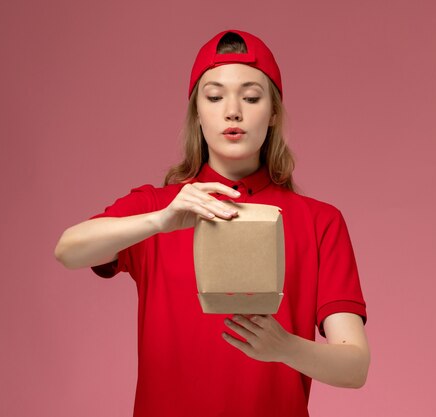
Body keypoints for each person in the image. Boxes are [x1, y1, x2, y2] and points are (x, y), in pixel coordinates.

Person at [55, 29, 369, 417]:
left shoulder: (321, 221)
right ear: (197, 113)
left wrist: (285, 347)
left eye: (251, 97)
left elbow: (354, 367)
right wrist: (159, 220)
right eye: (215, 96)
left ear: (273, 113)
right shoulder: (157, 207)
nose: (232, 111)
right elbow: (68, 251)